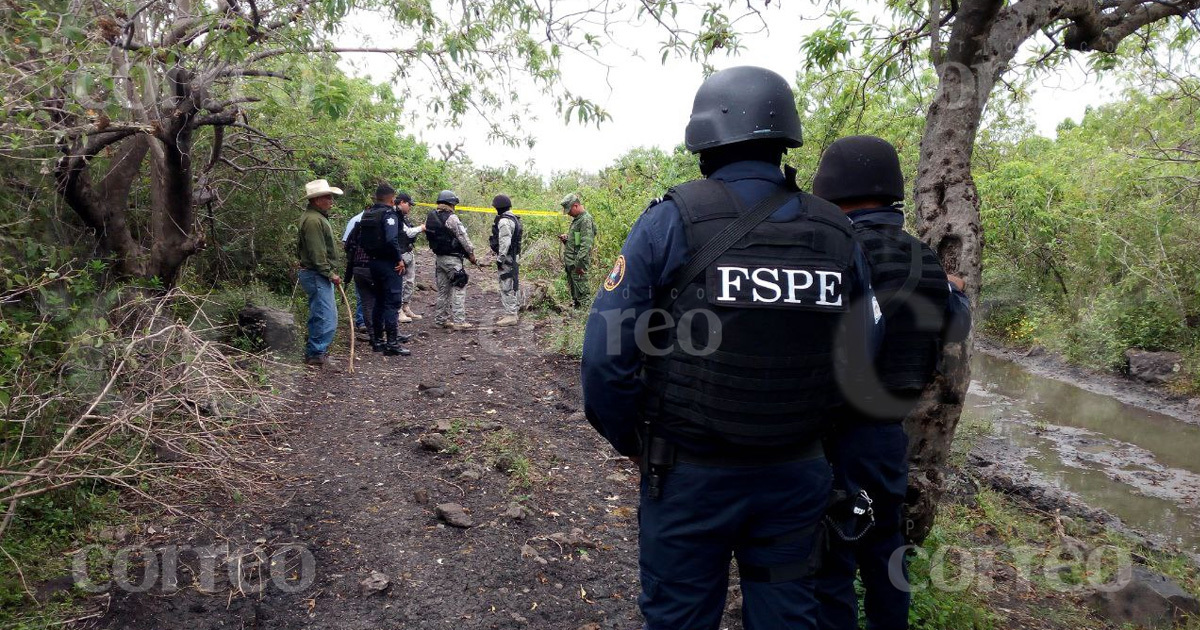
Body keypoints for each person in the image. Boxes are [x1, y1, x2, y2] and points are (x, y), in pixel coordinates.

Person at [580, 66, 882, 630]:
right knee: (788, 614)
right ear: (784, 137)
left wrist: (635, 441)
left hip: (690, 475)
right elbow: (865, 359)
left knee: (681, 616)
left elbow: (606, 356)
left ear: (704, 138)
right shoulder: (838, 233)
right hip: (797, 474)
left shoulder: (670, 219)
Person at [811, 135, 971, 630]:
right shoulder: (926, 260)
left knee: (830, 557)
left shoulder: (833, 249)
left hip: (833, 434)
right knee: (885, 554)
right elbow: (955, 333)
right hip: (887, 435)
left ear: (831, 189)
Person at [355, 183, 412, 356]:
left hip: (372, 263)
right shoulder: (389, 215)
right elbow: (391, 239)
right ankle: (392, 343)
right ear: (392, 198)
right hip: (389, 264)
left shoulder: (368, 213)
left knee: (379, 301)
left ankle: (378, 341)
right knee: (392, 302)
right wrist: (399, 259)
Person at [297, 179, 344, 367]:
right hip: (316, 273)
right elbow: (317, 253)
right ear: (316, 200)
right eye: (327, 197)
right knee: (326, 315)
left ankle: (317, 351)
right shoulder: (314, 220)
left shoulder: (316, 217)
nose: (331, 200)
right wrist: (329, 273)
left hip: (316, 273)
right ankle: (316, 353)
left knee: (321, 313)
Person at [425, 190, 478, 330]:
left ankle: (440, 320)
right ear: (451, 203)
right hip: (453, 259)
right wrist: (471, 254)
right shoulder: (452, 218)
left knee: (443, 291)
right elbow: (463, 237)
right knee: (459, 287)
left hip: (439, 259)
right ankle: (459, 321)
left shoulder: (431, 216)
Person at [489, 194, 523, 327]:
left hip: (508, 257)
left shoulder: (504, 221)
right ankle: (513, 311)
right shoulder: (514, 218)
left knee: (506, 284)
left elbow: (505, 241)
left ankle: (511, 315)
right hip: (513, 257)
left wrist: (500, 258)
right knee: (512, 282)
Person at [394, 191, 426, 323]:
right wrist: (421, 228)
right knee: (400, 283)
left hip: (408, 251)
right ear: (402, 202)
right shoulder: (394, 216)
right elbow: (408, 233)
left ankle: (406, 307)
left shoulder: (403, 216)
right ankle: (398, 310)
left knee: (410, 281)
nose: (410, 208)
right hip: (399, 254)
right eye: (409, 204)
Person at [559, 192, 595, 308]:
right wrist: (567, 240)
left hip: (577, 264)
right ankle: (577, 311)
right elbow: (578, 241)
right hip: (572, 262)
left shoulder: (585, 220)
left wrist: (579, 265)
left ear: (575, 206)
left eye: (569, 210)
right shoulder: (578, 219)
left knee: (583, 294)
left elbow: (586, 244)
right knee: (576, 293)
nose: (568, 213)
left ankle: (585, 319)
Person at [342, 207, 369, 332]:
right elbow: (347, 244)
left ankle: (368, 322)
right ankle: (361, 321)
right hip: (359, 264)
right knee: (361, 294)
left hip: (366, 264)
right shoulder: (357, 221)